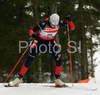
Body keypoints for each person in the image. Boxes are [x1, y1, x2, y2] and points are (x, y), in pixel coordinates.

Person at [8, 13, 75, 87]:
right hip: (39, 42)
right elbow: (31, 31)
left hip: (50, 42)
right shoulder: (43, 23)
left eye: (55, 26)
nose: (54, 27)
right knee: (29, 61)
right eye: (52, 25)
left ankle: (57, 79)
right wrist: (32, 35)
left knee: (59, 60)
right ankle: (18, 79)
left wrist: (69, 20)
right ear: (50, 21)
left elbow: (71, 28)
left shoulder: (60, 22)